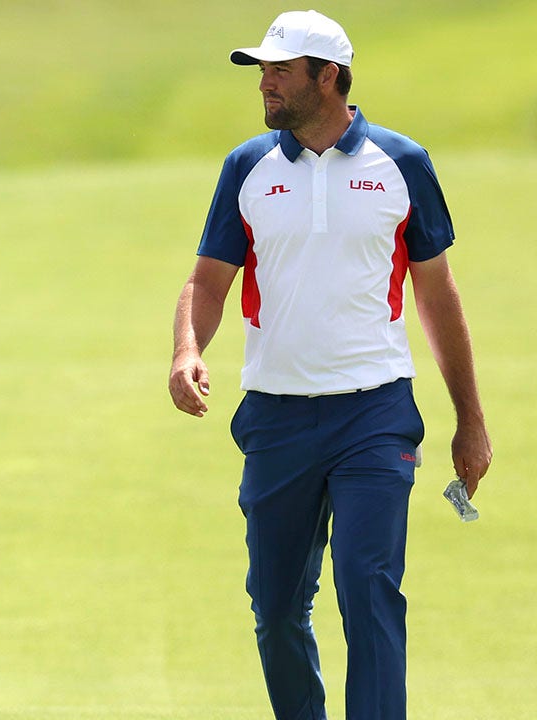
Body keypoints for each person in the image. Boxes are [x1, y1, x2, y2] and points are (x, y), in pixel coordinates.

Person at [167, 10, 491, 720]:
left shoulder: (402, 164)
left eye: (280, 71)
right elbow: (208, 282)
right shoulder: (247, 167)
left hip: (375, 414)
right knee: (277, 607)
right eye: (263, 70)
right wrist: (188, 348)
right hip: (276, 418)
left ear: (328, 77)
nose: (265, 83)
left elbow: (436, 294)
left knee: (369, 589)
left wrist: (470, 420)